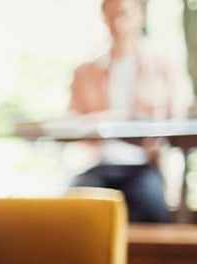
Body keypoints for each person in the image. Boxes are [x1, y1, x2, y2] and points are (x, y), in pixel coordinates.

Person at [66, 0, 187, 222]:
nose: (119, 23)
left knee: (151, 207)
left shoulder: (163, 67)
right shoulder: (84, 72)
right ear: (103, 19)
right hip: (97, 165)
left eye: (124, 14)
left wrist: (151, 139)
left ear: (140, 16)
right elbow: (72, 124)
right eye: (110, 16)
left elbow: (177, 121)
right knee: (73, 211)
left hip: (144, 166)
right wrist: (101, 121)